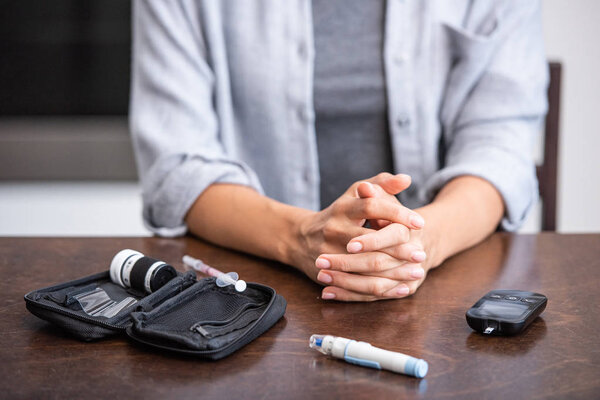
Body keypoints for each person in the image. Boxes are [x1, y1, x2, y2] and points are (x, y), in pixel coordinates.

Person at [129, 1, 548, 301]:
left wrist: (421, 241)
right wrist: (299, 237)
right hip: (257, 291)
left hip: (447, 287)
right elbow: (177, 169)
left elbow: (501, 147)